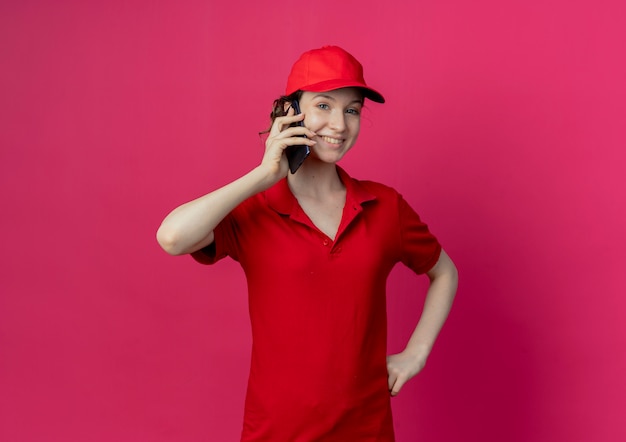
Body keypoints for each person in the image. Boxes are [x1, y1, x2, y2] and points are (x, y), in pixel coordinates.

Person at [156, 45, 458, 442]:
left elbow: (444, 272)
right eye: (323, 105)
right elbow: (172, 237)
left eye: (352, 110)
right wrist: (264, 175)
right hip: (277, 432)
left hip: (366, 430)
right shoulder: (255, 208)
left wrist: (415, 353)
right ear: (290, 113)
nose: (340, 123)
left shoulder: (385, 207)